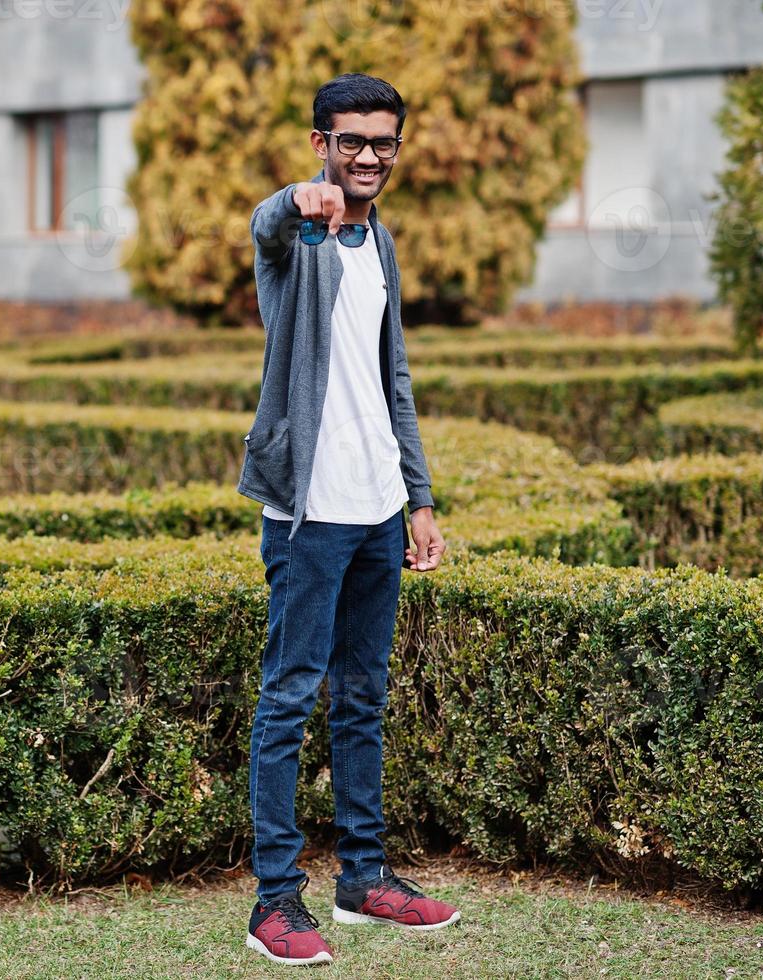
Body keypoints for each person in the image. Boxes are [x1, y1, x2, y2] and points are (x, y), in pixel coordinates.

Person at [236, 72, 460, 967]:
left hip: (374, 506)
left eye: (382, 142)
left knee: (362, 698)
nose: (367, 156)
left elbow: (391, 377)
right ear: (321, 143)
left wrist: (420, 495)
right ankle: (272, 904)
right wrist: (296, 201)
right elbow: (264, 226)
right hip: (308, 508)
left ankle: (363, 880)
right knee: (288, 700)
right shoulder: (301, 238)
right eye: (350, 141)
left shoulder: (380, 244)